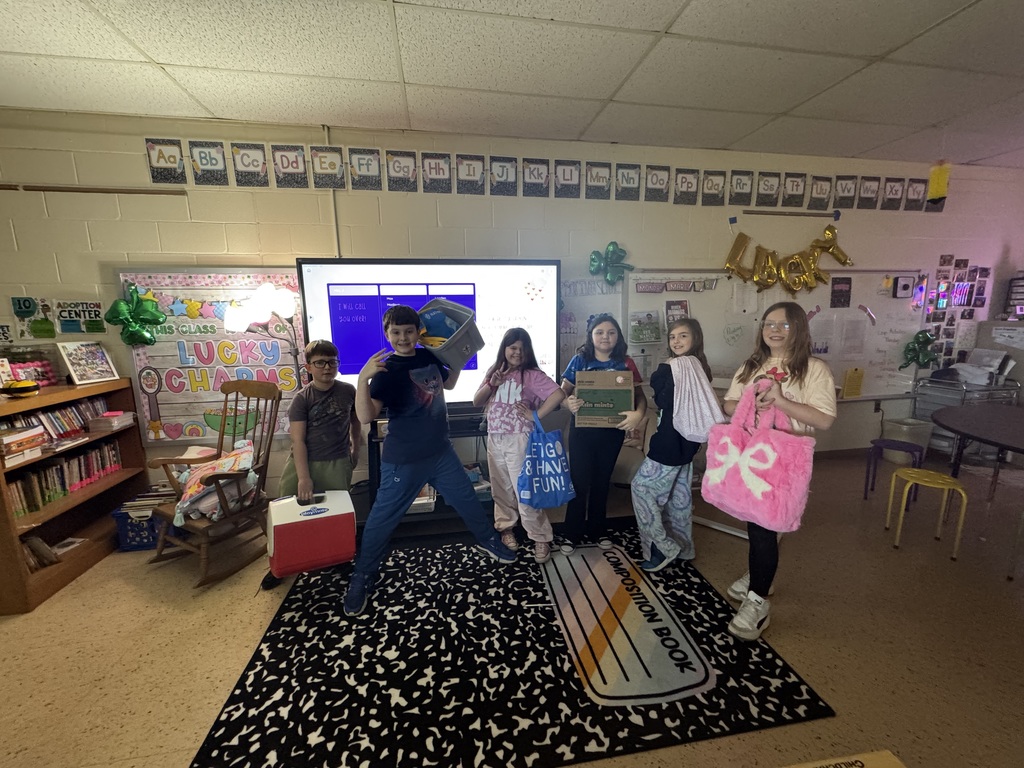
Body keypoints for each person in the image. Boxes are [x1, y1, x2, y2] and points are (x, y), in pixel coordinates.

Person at [343, 305, 517, 616]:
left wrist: (457, 360)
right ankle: (363, 575)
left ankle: (489, 539)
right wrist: (362, 381)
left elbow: (447, 385)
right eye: (396, 332)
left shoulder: (430, 356)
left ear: (418, 331)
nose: (403, 337)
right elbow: (366, 415)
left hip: (440, 452)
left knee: (467, 499)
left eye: (409, 331)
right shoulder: (385, 372)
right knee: (382, 520)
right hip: (403, 460)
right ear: (387, 334)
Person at [722, 301, 837, 641]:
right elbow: (729, 404)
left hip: (789, 460)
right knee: (758, 524)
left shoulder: (814, 369)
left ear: (799, 329)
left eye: (784, 325)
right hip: (753, 455)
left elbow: (825, 419)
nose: (774, 330)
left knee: (765, 527)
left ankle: (757, 600)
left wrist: (780, 400)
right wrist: (750, 403)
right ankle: (761, 575)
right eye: (768, 323)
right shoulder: (753, 364)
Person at [631, 318, 716, 572]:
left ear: (695, 339)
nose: (676, 341)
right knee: (678, 498)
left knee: (642, 489)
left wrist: (662, 371)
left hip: (669, 442)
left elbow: (665, 401)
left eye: (683, 336)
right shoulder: (700, 366)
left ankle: (663, 548)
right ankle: (684, 548)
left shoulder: (676, 366)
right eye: (673, 337)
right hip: (688, 443)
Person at [473, 328, 565, 563]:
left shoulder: (532, 374)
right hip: (496, 437)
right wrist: (492, 384)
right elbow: (477, 401)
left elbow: (558, 394)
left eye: (522, 349)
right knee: (500, 488)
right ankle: (506, 529)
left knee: (525, 490)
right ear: (504, 348)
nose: (517, 352)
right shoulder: (496, 371)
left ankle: (540, 537)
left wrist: (536, 415)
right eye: (513, 347)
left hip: (520, 439)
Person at [560, 313, 647, 544]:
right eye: (599, 332)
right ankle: (572, 534)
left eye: (611, 332)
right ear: (591, 335)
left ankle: (598, 531)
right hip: (582, 432)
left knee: (602, 481)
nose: (605, 337)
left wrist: (638, 414)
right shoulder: (579, 360)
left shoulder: (626, 363)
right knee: (579, 482)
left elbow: (639, 396)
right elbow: (562, 393)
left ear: (618, 336)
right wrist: (567, 403)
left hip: (612, 431)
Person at [279, 339, 361, 504]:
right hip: (306, 463)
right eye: (320, 363)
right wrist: (303, 478)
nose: (327, 367)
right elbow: (298, 441)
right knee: (295, 509)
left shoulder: (348, 391)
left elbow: (356, 422)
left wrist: (356, 451)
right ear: (308, 367)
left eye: (332, 362)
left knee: (336, 509)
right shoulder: (302, 399)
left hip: (338, 462)